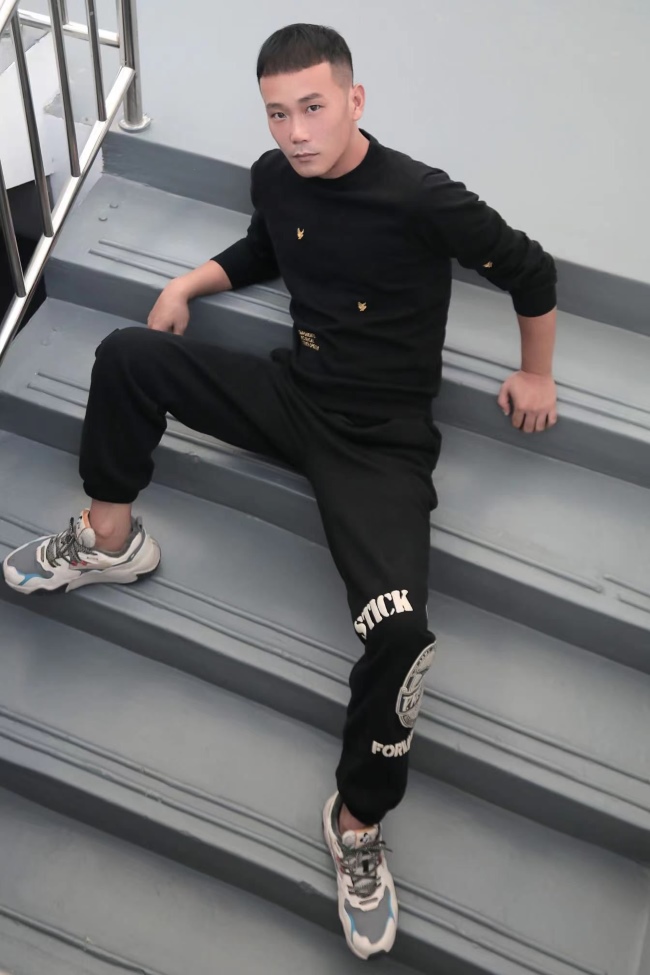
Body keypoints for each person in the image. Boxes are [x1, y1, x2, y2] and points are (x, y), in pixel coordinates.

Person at [3, 23, 558, 961]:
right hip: (295, 396)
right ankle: (109, 540)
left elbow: (531, 270)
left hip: (379, 446)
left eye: (313, 107)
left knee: (402, 637)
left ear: (354, 100)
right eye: (277, 113)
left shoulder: (422, 197)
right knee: (129, 355)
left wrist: (536, 373)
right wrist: (189, 282)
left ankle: (356, 822)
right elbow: (269, 247)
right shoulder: (276, 174)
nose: (296, 132)